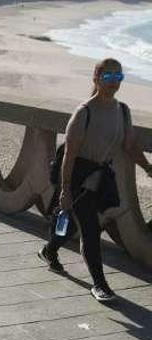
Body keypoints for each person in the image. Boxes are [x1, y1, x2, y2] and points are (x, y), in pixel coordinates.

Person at [38, 57, 152, 302]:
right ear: (96, 77)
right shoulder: (84, 113)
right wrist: (65, 190)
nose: (114, 82)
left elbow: (130, 146)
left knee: (70, 226)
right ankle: (100, 285)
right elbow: (69, 156)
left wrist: (148, 167)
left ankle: (49, 250)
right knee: (90, 229)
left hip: (101, 179)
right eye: (108, 77)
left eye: (118, 77)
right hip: (78, 178)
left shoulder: (123, 111)